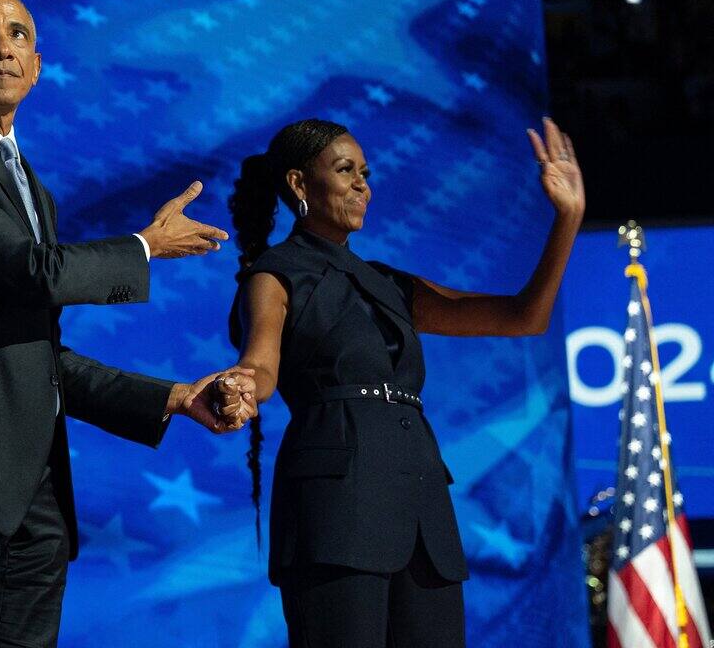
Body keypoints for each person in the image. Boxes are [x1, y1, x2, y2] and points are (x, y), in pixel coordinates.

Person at [0, 0, 257, 648]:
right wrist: (143, 247)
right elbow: (30, 271)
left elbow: (38, 356)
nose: (2, 48)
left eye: (18, 34)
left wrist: (176, 398)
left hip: (33, 499)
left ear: (37, 67)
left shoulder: (34, 190)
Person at [228, 117, 584, 647]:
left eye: (365, 173)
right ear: (299, 183)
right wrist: (241, 387)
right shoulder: (275, 274)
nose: (362, 185)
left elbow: (524, 317)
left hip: (421, 508)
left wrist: (568, 218)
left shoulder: (389, 283)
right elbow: (259, 365)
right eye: (345, 170)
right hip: (335, 507)